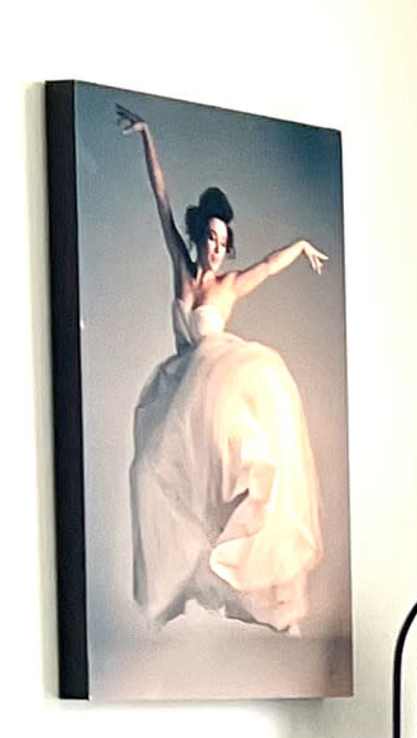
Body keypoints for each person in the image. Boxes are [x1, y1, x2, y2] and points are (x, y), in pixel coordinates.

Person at [118, 105, 329, 633]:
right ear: (197, 236)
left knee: (250, 468)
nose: (216, 249)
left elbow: (268, 266)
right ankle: (183, 582)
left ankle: (270, 587)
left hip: (218, 387)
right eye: (210, 238)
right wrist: (146, 135)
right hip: (180, 388)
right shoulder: (181, 268)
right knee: (149, 473)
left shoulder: (228, 286)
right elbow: (160, 198)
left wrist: (300, 246)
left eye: (222, 242)